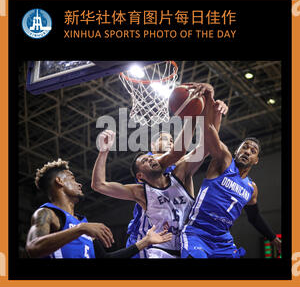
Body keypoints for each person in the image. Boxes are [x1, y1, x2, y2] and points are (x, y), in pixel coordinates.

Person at [91, 84, 229, 258]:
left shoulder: (179, 169)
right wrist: (103, 152)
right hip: (149, 243)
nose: (169, 141)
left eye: (171, 139)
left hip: (186, 245)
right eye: (164, 138)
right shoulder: (148, 175)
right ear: (152, 146)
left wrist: (209, 105)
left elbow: (204, 147)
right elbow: (99, 185)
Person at [181, 88, 281, 259]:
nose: (247, 151)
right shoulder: (224, 162)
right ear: (237, 151)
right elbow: (209, 130)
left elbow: (254, 217)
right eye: (245, 147)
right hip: (197, 233)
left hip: (222, 240)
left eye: (253, 150)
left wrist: (273, 239)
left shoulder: (252, 188)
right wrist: (208, 99)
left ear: (256, 160)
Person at [25, 159, 172, 258]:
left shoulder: (82, 222)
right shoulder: (47, 213)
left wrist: (145, 241)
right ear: (59, 181)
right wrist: (80, 229)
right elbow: (33, 247)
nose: (79, 184)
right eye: (72, 178)